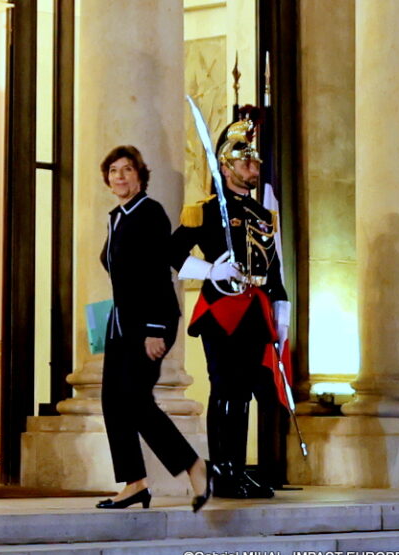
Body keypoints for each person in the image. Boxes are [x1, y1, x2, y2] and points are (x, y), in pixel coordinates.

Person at [171, 112, 290, 499]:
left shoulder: (261, 214)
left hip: (256, 309)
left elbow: (271, 268)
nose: (253, 167)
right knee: (226, 388)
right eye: (246, 161)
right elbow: (171, 252)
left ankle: (237, 467)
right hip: (222, 309)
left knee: (246, 392)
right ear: (225, 165)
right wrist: (209, 270)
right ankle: (221, 470)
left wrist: (281, 307)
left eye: (254, 161)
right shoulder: (204, 210)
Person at [95, 145, 215, 512]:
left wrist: (154, 329)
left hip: (151, 322)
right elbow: (116, 269)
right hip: (120, 324)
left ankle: (196, 467)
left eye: (127, 169)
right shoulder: (118, 216)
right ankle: (135, 484)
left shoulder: (149, 213)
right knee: (114, 402)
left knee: (135, 400)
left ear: (140, 176)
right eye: (113, 170)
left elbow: (158, 274)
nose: (119, 176)